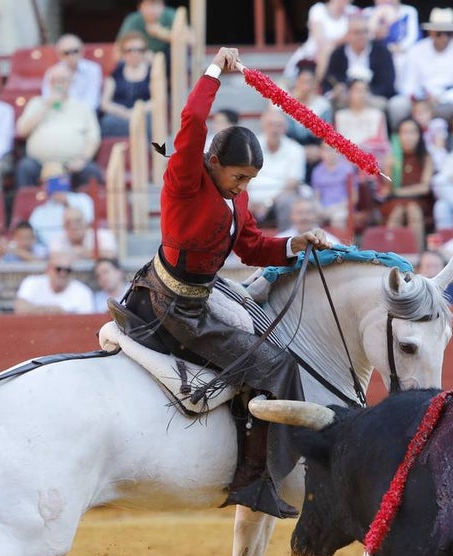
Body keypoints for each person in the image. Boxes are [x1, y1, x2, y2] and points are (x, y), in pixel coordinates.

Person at [120, 47, 332, 519]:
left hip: (198, 295)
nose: (241, 186)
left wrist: (295, 243)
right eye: (237, 176)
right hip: (174, 306)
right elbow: (194, 118)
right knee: (278, 368)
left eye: (249, 179)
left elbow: (253, 246)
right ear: (213, 161)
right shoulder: (186, 179)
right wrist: (216, 69)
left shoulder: (235, 197)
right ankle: (255, 482)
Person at [15, 63, 104, 189]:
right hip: (40, 163)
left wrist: (82, 159)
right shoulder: (36, 103)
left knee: (91, 171)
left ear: (70, 83)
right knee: (24, 167)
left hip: (73, 164)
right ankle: (27, 207)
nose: (58, 84)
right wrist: (46, 107)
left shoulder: (82, 107)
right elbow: (22, 131)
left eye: (62, 80)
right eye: (54, 81)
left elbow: (93, 139)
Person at [387, 7, 453, 126]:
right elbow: (407, 85)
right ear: (430, 32)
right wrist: (421, 99)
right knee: (397, 105)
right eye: (439, 33)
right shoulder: (417, 50)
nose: (444, 37)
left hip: (450, 101)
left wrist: (444, 98)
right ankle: (400, 143)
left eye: (449, 33)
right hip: (421, 101)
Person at [248, 107, 307, 230]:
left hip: (279, 198)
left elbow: (292, 184)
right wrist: (247, 198)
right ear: (263, 126)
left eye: (278, 125)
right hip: (251, 197)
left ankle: (286, 241)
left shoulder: (296, 149)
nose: (274, 129)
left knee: (289, 201)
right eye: (270, 125)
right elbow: (243, 175)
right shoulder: (251, 145)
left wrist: (268, 203)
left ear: (285, 128)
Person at [379, 116, 433, 251]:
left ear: (419, 135)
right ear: (398, 136)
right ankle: (390, 255)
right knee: (397, 213)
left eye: (412, 132)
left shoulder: (425, 157)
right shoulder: (392, 158)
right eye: (405, 132)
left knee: (413, 211)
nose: (408, 137)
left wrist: (400, 192)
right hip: (395, 201)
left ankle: (417, 254)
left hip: (419, 200)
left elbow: (424, 188)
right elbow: (389, 189)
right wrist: (389, 170)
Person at [322, 12, 395, 110]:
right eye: (357, 32)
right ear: (348, 35)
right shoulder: (337, 54)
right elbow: (328, 81)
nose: (362, 36)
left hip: (373, 98)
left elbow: (388, 83)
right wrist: (336, 91)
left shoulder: (382, 51)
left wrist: (364, 95)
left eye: (365, 31)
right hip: (345, 100)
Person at [283, 0, 359, 80]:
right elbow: (320, 41)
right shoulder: (318, 9)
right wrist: (343, 39)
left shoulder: (352, 11)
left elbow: (361, 32)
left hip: (341, 57)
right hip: (311, 54)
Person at [99, 31, 153, 138]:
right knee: (106, 123)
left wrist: (137, 111)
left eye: (139, 50)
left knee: (145, 124)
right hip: (119, 115)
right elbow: (105, 103)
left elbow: (157, 101)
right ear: (123, 53)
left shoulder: (152, 73)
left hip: (143, 115)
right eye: (130, 50)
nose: (135, 53)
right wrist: (121, 111)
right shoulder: (116, 73)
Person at [14, 253, 96, 314]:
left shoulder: (83, 292)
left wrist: (63, 314)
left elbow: (85, 322)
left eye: (67, 270)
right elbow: (19, 308)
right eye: (58, 269)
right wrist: (48, 310)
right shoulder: (31, 282)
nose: (63, 274)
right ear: (48, 269)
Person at [29, 171, 96, 245]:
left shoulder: (82, 199)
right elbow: (30, 234)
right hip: (49, 252)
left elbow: (89, 221)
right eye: (46, 183)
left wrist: (66, 202)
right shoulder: (39, 212)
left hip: (83, 246)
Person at [365, 0, 420, 90]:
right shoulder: (368, 12)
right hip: (376, 53)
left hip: (400, 53)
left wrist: (397, 48)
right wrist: (375, 31)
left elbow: (412, 38)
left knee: (402, 61)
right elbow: (364, 37)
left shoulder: (408, 11)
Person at [43, 34, 103, 112]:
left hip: (87, 115)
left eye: (75, 51)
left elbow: (92, 101)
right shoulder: (53, 72)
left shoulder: (93, 69)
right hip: (61, 114)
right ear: (59, 55)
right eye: (66, 53)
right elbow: (48, 98)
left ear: (82, 51)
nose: (71, 56)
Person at [47, 205, 117, 260]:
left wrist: (81, 252)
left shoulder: (103, 235)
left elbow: (110, 254)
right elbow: (54, 257)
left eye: (78, 221)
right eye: (68, 223)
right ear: (64, 226)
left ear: (86, 223)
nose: (73, 226)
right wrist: (91, 253)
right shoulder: (57, 239)